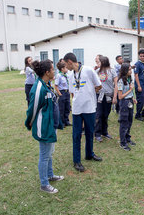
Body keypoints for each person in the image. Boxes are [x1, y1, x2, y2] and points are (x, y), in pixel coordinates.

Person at [25, 59, 64, 194]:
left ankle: (50, 175)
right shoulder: (38, 88)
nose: (55, 71)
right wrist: (29, 122)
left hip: (50, 125)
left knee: (49, 153)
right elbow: (32, 109)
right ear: (47, 72)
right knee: (44, 155)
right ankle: (44, 183)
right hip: (44, 127)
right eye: (53, 69)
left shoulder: (46, 84)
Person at [63, 53, 102, 172]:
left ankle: (89, 154)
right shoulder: (70, 75)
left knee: (90, 132)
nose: (65, 67)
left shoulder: (88, 70)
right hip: (77, 110)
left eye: (65, 64)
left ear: (70, 61)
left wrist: (89, 93)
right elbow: (72, 92)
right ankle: (77, 161)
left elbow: (99, 85)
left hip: (89, 108)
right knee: (76, 135)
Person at [95, 56, 118, 142]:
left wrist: (115, 97)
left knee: (106, 114)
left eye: (99, 62)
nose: (98, 63)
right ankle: (97, 133)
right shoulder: (97, 71)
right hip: (99, 96)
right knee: (99, 114)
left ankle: (104, 132)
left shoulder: (112, 71)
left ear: (104, 62)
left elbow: (116, 84)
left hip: (109, 96)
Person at [118, 63, 137, 151]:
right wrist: (130, 90)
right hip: (124, 102)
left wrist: (133, 98)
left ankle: (127, 138)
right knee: (124, 123)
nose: (131, 71)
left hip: (130, 101)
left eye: (131, 69)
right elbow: (120, 96)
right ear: (125, 70)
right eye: (129, 69)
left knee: (130, 121)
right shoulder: (121, 81)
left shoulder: (130, 78)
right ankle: (122, 142)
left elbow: (131, 92)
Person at [54, 59, 71, 127]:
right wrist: (59, 93)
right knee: (61, 108)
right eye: (66, 68)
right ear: (62, 69)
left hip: (67, 92)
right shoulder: (59, 76)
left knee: (67, 108)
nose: (67, 69)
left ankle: (66, 121)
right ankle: (61, 122)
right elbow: (56, 85)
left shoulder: (67, 75)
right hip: (62, 92)